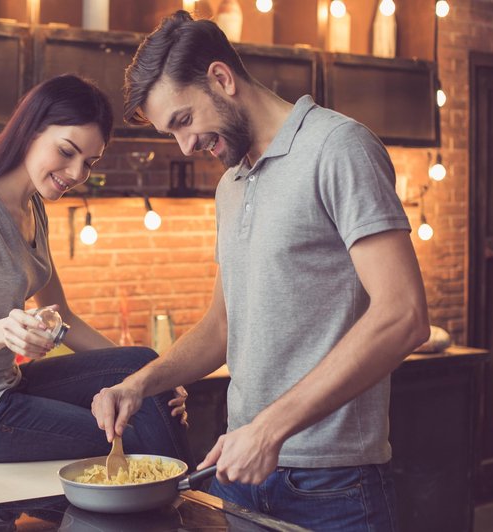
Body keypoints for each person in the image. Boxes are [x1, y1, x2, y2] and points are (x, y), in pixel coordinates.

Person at [91, 11, 430, 531]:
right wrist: (138, 384)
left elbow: (403, 314)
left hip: (333, 485)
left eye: (183, 120)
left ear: (222, 79)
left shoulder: (338, 148)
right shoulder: (232, 184)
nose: (185, 146)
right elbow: (221, 328)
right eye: (170, 132)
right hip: (241, 473)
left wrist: (269, 430)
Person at [0, 74, 190, 465]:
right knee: (133, 433)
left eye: (88, 162)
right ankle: (187, 503)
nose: (77, 173)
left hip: (8, 387)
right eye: (66, 151)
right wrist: (5, 330)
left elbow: (64, 318)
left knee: (141, 361)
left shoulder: (33, 208)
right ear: (29, 132)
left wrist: (153, 379)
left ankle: (185, 496)